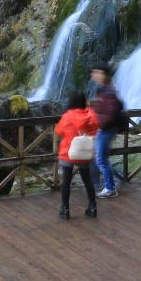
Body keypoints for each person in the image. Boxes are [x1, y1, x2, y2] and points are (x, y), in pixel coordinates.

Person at [54, 90, 98, 219]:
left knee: (66, 182)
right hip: (84, 152)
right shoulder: (91, 115)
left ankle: (65, 210)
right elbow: (95, 130)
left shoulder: (67, 116)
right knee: (87, 180)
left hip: (68, 152)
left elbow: (58, 131)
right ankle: (93, 207)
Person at [89, 62, 126, 198]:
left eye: (96, 72)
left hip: (106, 129)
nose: (93, 75)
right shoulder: (105, 89)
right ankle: (109, 184)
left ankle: (110, 188)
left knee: (101, 159)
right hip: (105, 128)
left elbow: (111, 113)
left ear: (103, 74)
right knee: (101, 158)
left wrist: (99, 122)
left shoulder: (108, 91)